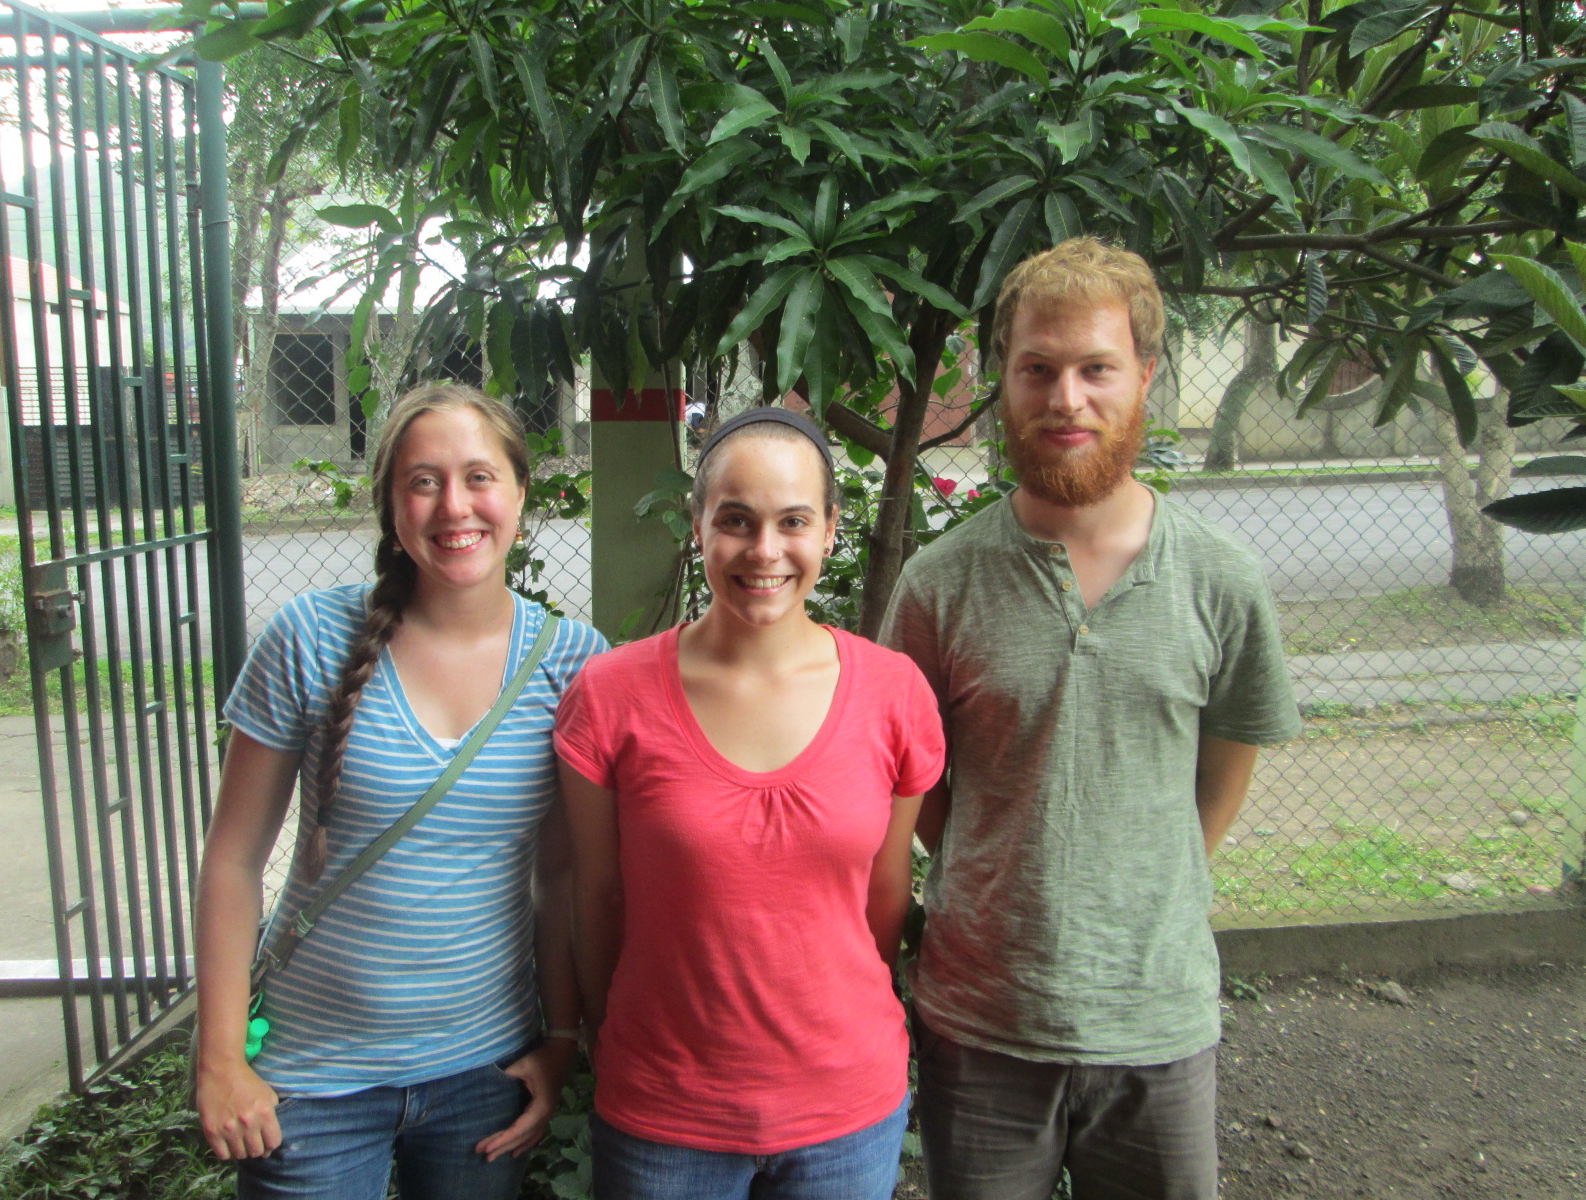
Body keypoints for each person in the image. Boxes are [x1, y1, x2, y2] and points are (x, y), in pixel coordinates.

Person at [879, 238, 1302, 1200]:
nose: (1066, 398)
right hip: (982, 1025)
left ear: (1144, 377)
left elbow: (1223, 770)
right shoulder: (939, 587)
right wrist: (997, 864)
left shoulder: (1220, 582)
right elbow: (923, 788)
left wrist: (1148, 879)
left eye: (1095, 369)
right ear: (1005, 380)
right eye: (1039, 369)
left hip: (1158, 1022)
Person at [193, 382, 607, 1198]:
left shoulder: (573, 661)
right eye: (423, 481)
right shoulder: (310, 636)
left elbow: (561, 878)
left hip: (484, 1075)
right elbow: (233, 861)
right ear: (391, 503)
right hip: (308, 1082)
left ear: (523, 491)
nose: (455, 505)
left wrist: (561, 1039)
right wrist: (220, 1059)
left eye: (480, 477)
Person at [555, 408, 945, 1200]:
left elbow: (884, 893)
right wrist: (610, 1033)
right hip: (666, 1112)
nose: (764, 551)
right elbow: (592, 893)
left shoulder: (893, 693)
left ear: (831, 530)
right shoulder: (610, 694)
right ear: (696, 525)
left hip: (845, 1110)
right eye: (735, 521)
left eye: (793, 521)